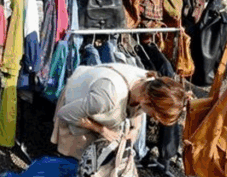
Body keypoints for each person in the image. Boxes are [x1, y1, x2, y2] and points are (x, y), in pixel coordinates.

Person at [52, 63, 188, 159]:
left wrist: (135, 129)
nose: (154, 120)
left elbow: (137, 105)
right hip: (76, 103)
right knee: (76, 164)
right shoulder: (108, 96)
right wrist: (101, 129)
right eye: (153, 115)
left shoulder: (149, 83)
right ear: (147, 100)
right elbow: (65, 113)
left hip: (96, 105)